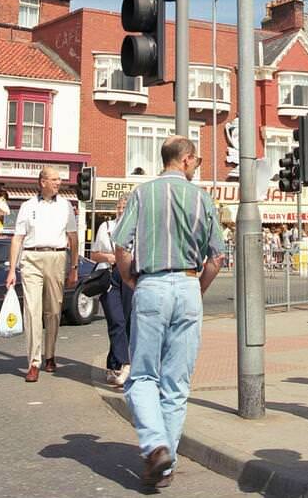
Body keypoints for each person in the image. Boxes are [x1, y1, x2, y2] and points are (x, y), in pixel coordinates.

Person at [114, 137, 224, 490]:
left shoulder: (142, 194)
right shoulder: (202, 198)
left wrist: (131, 278)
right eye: (199, 160)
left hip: (152, 283)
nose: (199, 166)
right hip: (189, 285)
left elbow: (121, 245)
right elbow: (217, 256)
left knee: (143, 375)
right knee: (176, 383)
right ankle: (166, 462)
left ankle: (155, 445)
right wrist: (197, 288)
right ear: (186, 159)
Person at [6, 166, 79, 382]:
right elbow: (17, 238)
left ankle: (50, 354)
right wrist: (12, 270)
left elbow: (73, 238)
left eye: (59, 179)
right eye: (54, 179)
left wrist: (73, 268)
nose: (58, 183)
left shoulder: (66, 206)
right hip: (31, 258)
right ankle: (34, 362)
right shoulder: (27, 206)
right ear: (42, 182)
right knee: (32, 310)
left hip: (57, 257)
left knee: (54, 311)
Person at [92, 193, 134, 389]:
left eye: (125, 207)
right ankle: (126, 364)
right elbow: (94, 254)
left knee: (126, 322)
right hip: (110, 276)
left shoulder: (138, 229)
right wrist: (109, 257)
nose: (121, 210)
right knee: (115, 320)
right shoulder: (106, 227)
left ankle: (113, 363)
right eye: (119, 207)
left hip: (130, 275)